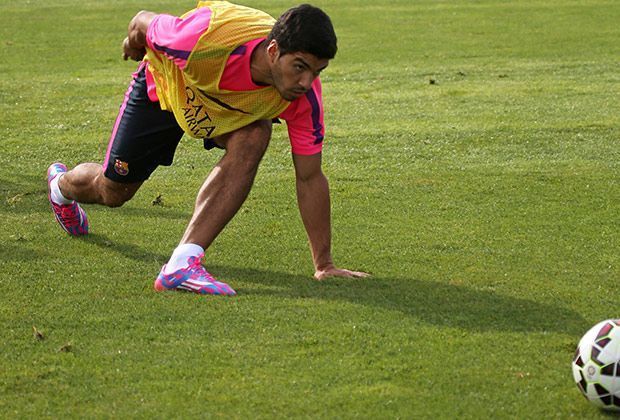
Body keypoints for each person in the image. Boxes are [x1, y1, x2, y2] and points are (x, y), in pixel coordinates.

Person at [47, 1, 369, 296]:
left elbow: (310, 177)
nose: (306, 81)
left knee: (256, 134)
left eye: (316, 71)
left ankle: (181, 263)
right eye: (299, 67)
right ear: (273, 51)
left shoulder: (304, 98)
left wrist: (324, 264)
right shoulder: (201, 41)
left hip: (224, 113)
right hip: (165, 92)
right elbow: (141, 22)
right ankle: (60, 187)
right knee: (112, 191)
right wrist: (134, 42)